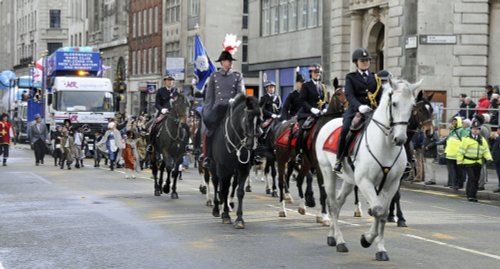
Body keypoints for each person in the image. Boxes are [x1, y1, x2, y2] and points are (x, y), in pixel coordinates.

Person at [334, 48, 382, 173]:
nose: (365, 62)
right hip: (355, 110)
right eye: (362, 60)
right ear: (356, 62)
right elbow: (349, 95)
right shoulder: (351, 77)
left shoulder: (375, 78)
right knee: (345, 130)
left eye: (367, 60)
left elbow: (380, 95)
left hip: (372, 110)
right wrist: (359, 106)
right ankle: (339, 160)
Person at [202, 43, 245, 168]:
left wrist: (235, 100)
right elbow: (209, 98)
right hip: (218, 109)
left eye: (230, 60)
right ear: (221, 62)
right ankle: (208, 157)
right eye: (227, 60)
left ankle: (251, 155)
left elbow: (241, 92)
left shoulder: (238, 76)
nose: (229, 63)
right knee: (210, 131)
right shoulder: (214, 76)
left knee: (248, 128)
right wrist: (207, 113)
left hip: (233, 108)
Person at [295, 64, 328, 162]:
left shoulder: (323, 86)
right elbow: (302, 100)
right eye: (315, 72)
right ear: (311, 74)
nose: (317, 74)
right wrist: (312, 109)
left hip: (320, 114)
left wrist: (325, 108)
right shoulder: (306, 85)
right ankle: (299, 153)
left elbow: (325, 100)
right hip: (307, 113)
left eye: (318, 72)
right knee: (301, 131)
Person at [457, 120, 493, 202]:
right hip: (468, 162)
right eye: (473, 129)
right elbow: (461, 151)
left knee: (476, 179)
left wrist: (489, 158)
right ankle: (469, 195)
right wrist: (459, 162)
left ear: (479, 130)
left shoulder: (482, 140)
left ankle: (474, 195)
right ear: (471, 129)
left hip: (478, 162)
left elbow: (486, 150)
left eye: (477, 129)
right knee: (471, 178)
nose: (475, 130)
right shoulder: (466, 139)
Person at [445, 116, 468, 189]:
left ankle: (459, 184)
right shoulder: (452, 131)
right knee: (452, 171)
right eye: (453, 121)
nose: (453, 122)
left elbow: (465, 142)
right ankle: (454, 184)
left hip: (458, 155)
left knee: (459, 171)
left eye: (455, 121)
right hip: (450, 155)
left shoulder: (462, 130)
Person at [492, 127, 500, 193]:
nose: (497, 131)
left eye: (498, 129)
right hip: (497, 159)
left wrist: (497, 138)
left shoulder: (498, 138)